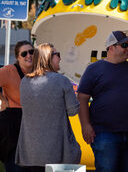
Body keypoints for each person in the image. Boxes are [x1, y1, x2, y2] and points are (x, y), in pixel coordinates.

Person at [77, 31, 128, 172]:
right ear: (111, 47)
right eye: (124, 45)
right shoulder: (94, 69)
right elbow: (82, 98)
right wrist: (85, 125)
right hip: (105, 134)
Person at [15, 43, 81, 172]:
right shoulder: (62, 80)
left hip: (30, 153)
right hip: (58, 154)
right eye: (57, 55)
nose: (60, 58)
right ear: (48, 57)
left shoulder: (24, 82)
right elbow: (73, 110)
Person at [0, 40, 34, 172]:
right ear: (18, 57)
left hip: (33, 128)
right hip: (14, 127)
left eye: (31, 52)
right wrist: (3, 99)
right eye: (24, 53)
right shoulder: (9, 71)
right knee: (16, 166)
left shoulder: (39, 72)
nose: (29, 55)